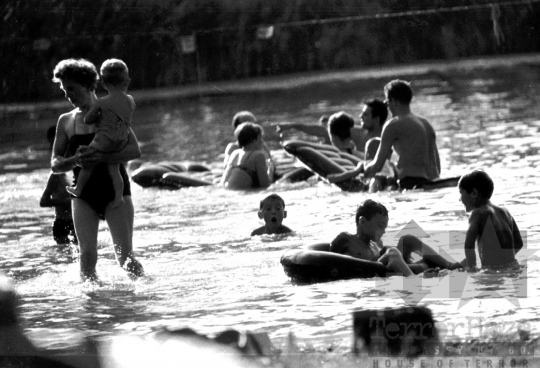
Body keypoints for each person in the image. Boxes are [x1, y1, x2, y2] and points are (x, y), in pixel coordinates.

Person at [50, 58, 144, 282]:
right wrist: (74, 160)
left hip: (116, 191)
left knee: (125, 259)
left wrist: (102, 156)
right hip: (83, 195)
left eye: (71, 88)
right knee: (87, 256)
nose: (67, 95)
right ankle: (93, 309)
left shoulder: (110, 111)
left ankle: (145, 293)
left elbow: (134, 151)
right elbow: (55, 163)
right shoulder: (65, 121)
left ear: (90, 85)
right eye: (64, 90)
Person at [65, 59, 135, 208]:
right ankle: (118, 197)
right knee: (115, 170)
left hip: (104, 139)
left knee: (88, 161)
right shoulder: (129, 100)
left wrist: (95, 117)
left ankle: (78, 188)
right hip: (120, 139)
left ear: (103, 83)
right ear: (126, 82)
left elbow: (89, 119)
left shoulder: (102, 103)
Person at [330, 199, 459, 276]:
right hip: (369, 272)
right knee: (392, 253)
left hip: (386, 269)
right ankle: (414, 279)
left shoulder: (375, 245)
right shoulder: (346, 239)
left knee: (407, 239)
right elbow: (327, 260)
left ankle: (449, 265)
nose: (383, 231)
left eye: (385, 227)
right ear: (363, 222)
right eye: (380, 226)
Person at [364, 80, 441, 190]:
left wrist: (364, 170)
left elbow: (377, 165)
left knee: (376, 182)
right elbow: (436, 165)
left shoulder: (393, 124)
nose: (388, 107)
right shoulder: (426, 124)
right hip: (435, 182)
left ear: (394, 101)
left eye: (387, 103)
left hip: (411, 184)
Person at [457, 170, 523, 271]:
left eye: (461, 193)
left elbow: (469, 245)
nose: (459, 199)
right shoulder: (505, 212)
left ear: (474, 193)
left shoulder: (478, 213)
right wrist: (505, 260)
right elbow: (519, 243)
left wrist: (472, 268)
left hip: (492, 271)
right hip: (514, 267)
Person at [40, 126, 78, 247]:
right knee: (63, 260)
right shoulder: (56, 175)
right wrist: (68, 202)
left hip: (78, 221)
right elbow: (43, 201)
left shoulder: (78, 171)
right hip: (62, 224)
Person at [220, 122, 271, 190]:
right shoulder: (258, 155)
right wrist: (271, 169)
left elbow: (223, 182)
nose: (262, 141)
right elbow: (265, 184)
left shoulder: (235, 153)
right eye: (260, 137)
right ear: (253, 140)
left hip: (225, 190)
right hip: (242, 194)